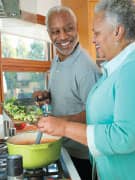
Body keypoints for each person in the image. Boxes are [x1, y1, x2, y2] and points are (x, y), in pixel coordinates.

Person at [37, 0, 135, 179]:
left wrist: (64, 127)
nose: (93, 39)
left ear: (117, 32)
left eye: (97, 33)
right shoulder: (113, 69)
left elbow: (125, 137)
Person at [33, 5, 101, 180]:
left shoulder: (86, 68)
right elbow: (67, 93)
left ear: (76, 28)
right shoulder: (58, 58)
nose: (63, 36)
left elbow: (96, 115)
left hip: (81, 155)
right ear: (49, 34)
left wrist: (60, 122)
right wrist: (47, 95)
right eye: (56, 31)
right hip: (63, 147)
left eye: (68, 29)